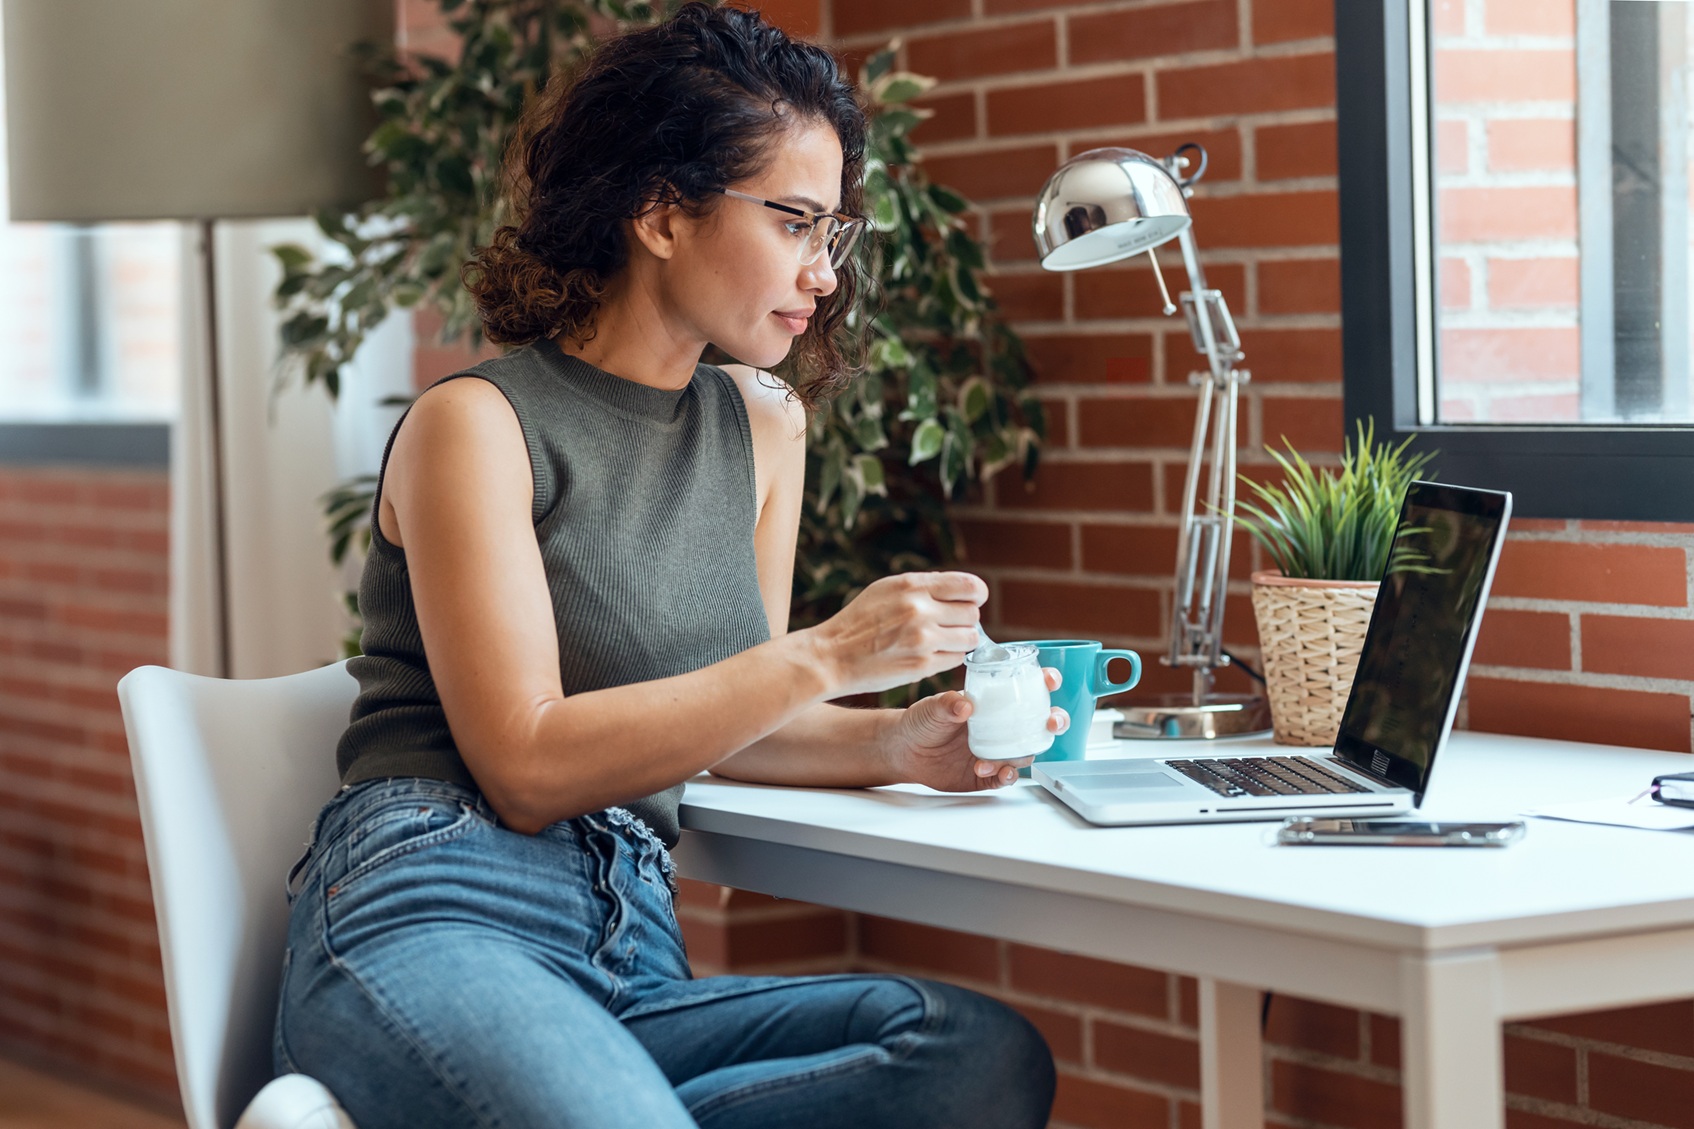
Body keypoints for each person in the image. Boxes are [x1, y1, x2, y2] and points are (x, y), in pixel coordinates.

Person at [273, 6, 1066, 1127]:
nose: (822, 272)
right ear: (658, 210)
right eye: (793, 222)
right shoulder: (477, 425)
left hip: (627, 945)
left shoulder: (763, 426)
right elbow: (527, 766)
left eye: (830, 232)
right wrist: (831, 652)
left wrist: (895, 742)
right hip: (434, 904)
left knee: (974, 1055)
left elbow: (727, 714)